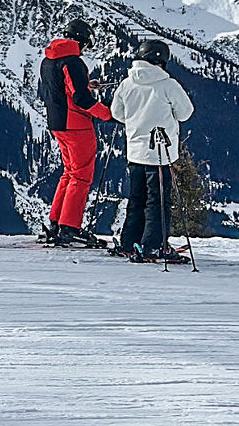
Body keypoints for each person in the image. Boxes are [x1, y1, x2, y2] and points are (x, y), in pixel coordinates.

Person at [111, 39, 194, 263]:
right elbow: (185, 113)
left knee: (137, 198)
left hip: (135, 151)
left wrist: (136, 121)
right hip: (160, 154)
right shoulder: (168, 85)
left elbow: (117, 113)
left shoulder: (127, 83)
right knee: (158, 201)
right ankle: (154, 245)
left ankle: (130, 242)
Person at [38, 18, 112, 246]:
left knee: (69, 173)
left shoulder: (48, 60)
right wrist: (109, 114)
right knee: (80, 176)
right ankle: (70, 228)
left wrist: (87, 85)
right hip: (76, 125)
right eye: (87, 44)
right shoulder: (73, 62)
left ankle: (56, 223)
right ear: (82, 40)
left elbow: (61, 89)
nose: (86, 49)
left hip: (57, 123)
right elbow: (81, 99)